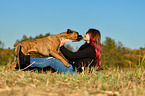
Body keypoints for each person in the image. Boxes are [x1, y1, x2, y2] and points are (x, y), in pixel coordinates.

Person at [18, 28, 101, 74]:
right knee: (49, 65)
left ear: (92, 36)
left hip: (75, 71)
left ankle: (25, 60)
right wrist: (61, 48)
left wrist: (61, 46)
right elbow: (71, 58)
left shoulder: (90, 49)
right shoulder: (85, 47)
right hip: (72, 68)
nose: (84, 34)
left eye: (87, 33)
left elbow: (73, 56)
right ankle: (24, 67)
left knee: (51, 60)